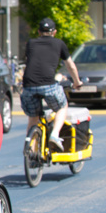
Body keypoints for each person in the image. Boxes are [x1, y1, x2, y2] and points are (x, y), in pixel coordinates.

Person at [20, 18, 81, 151]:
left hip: (28, 85)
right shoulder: (59, 43)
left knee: (33, 117)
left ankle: (31, 149)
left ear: (38, 32)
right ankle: (54, 134)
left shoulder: (31, 43)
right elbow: (70, 65)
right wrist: (77, 82)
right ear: (54, 32)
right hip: (48, 84)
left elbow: (34, 62)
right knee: (61, 106)